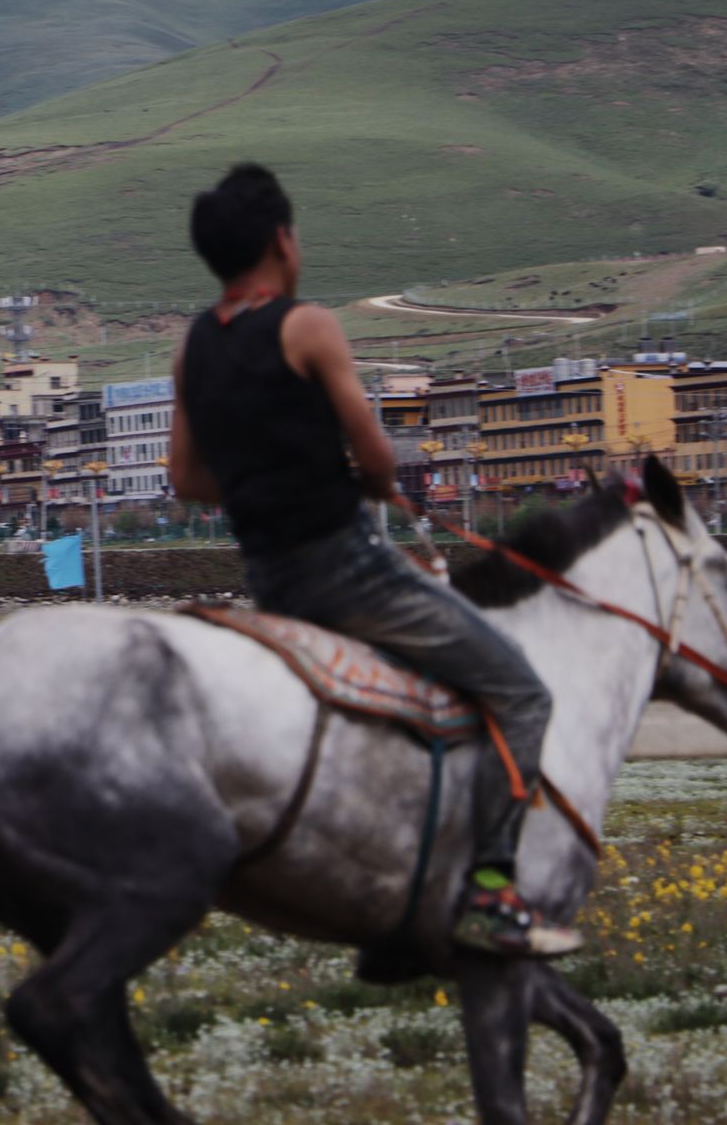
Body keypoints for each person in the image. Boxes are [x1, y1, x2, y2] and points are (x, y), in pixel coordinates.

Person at [168, 162, 581, 959]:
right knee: (522, 691)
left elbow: (185, 479)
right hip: (351, 571)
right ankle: (492, 891)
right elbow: (379, 457)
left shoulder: (192, 349)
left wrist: (263, 484)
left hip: (269, 582)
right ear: (281, 241)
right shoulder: (307, 326)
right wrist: (365, 482)